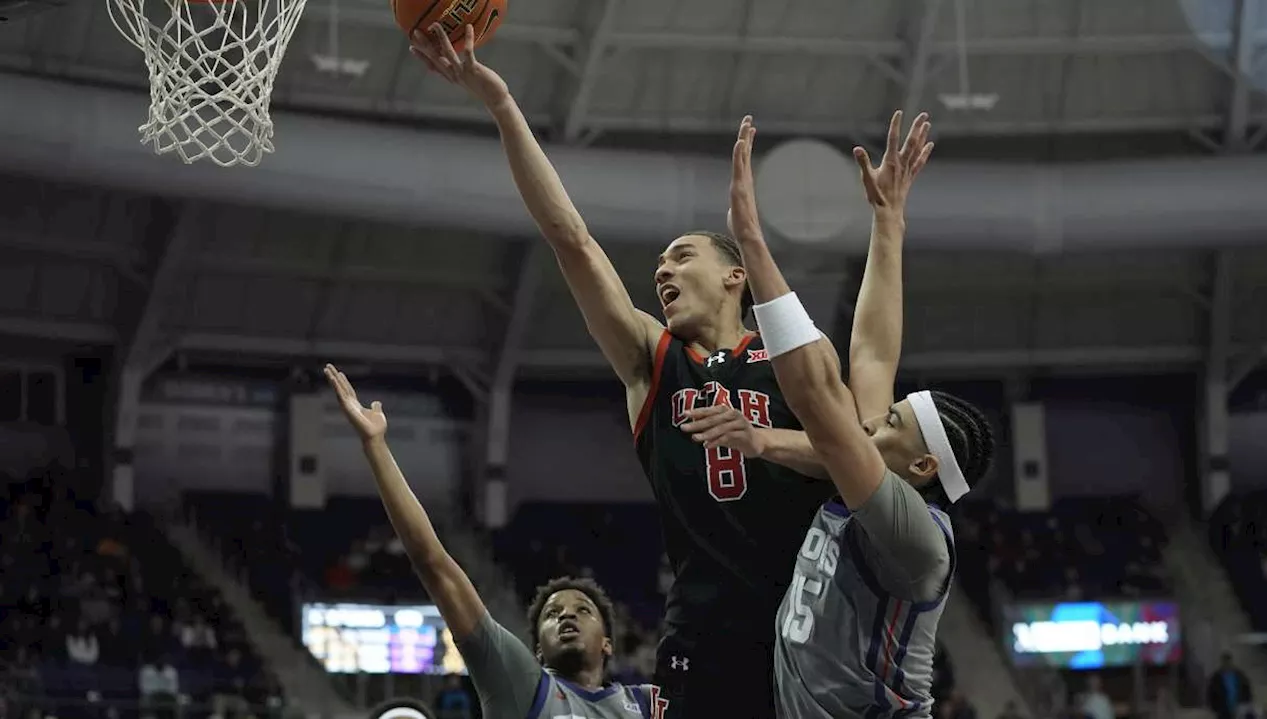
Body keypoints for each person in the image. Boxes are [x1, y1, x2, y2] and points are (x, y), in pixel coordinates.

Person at [409, 22, 834, 718]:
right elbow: (569, 236)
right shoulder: (654, 358)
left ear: (736, 275)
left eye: (681, 255)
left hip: (813, 634)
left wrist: (768, 441)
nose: (662, 268)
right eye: (659, 262)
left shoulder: (792, 357)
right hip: (705, 639)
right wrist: (502, 105)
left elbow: (863, 462)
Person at [718, 112, 994, 717]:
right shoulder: (884, 472)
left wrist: (753, 244)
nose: (875, 419)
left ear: (922, 464)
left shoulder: (917, 537)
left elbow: (819, 402)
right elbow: (870, 354)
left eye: (891, 422)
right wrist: (888, 220)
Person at [323, 364, 657, 719]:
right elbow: (435, 565)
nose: (566, 617)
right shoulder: (521, 682)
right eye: (553, 614)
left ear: (607, 643)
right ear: (538, 651)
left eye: (582, 610)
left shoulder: (648, 704)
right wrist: (375, 446)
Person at [1208, 652, 1254, 719]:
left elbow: (1247, 690)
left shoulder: (1239, 675)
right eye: (1225, 662)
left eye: (1228, 661)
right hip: (1223, 710)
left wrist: (1248, 704)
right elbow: (1211, 693)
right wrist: (1215, 708)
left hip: (1239, 709)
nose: (1227, 664)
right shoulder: (1216, 677)